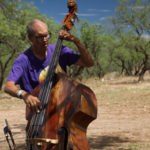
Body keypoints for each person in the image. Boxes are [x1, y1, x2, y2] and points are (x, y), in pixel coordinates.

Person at [4, 19, 94, 114]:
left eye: (46, 35)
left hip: (62, 107)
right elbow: (8, 86)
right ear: (30, 38)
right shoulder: (23, 60)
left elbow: (89, 63)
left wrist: (77, 41)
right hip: (38, 113)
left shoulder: (60, 51)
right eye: (40, 36)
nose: (45, 39)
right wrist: (24, 95)